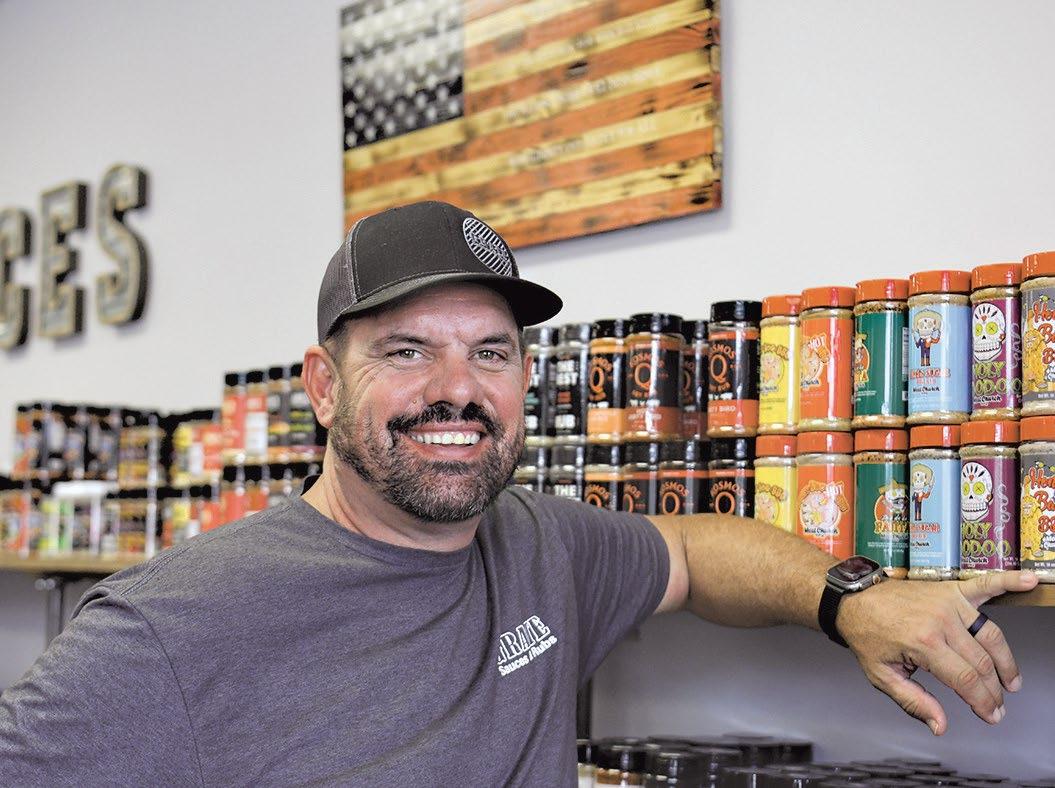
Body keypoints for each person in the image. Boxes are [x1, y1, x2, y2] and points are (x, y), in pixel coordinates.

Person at [0, 201, 1037, 785]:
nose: (457, 388)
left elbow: (691, 550)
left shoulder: (544, 545)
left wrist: (852, 596)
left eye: (489, 351)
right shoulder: (170, 627)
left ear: (524, 380)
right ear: (321, 386)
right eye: (407, 349)